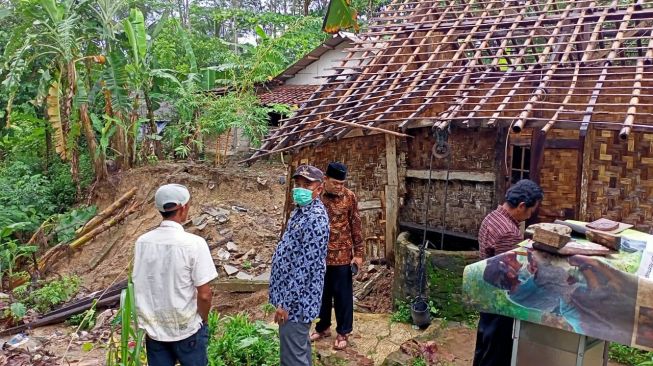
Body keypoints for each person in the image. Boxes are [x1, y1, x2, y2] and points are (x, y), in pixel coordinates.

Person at [133, 184, 218, 366]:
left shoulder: (142, 242)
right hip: (187, 329)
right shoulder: (194, 244)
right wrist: (203, 319)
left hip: (155, 330)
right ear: (183, 208)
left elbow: (141, 284)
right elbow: (204, 294)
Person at [473, 179, 543, 366]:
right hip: (501, 301)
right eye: (530, 211)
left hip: (486, 293)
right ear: (521, 206)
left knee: (484, 346)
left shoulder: (492, 217)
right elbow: (510, 273)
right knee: (497, 352)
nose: (529, 215)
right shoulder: (509, 232)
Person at [269, 165, 330, 366]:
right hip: (293, 299)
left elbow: (304, 269)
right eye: (297, 184)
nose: (300, 188)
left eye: (307, 184)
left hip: (296, 304)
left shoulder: (316, 219)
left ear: (319, 189)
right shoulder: (302, 211)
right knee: (299, 351)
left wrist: (285, 304)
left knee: (292, 359)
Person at [310, 162, 363, 350]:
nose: (339, 187)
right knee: (321, 294)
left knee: (343, 296)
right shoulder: (316, 197)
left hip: (342, 256)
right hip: (319, 257)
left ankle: (343, 332)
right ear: (325, 180)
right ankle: (322, 327)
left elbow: (356, 225)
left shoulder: (349, 197)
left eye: (342, 183)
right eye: (335, 183)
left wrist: (359, 254)